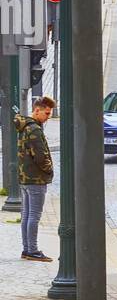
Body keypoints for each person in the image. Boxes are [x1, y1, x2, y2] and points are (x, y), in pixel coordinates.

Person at [15, 97, 55, 262]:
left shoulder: (24, 127)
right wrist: (50, 169)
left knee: (26, 215)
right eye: (46, 113)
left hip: (25, 178)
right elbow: (40, 156)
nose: (48, 116)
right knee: (34, 216)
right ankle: (32, 250)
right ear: (37, 110)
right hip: (36, 179)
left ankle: (27, 249)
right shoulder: (35, 130)